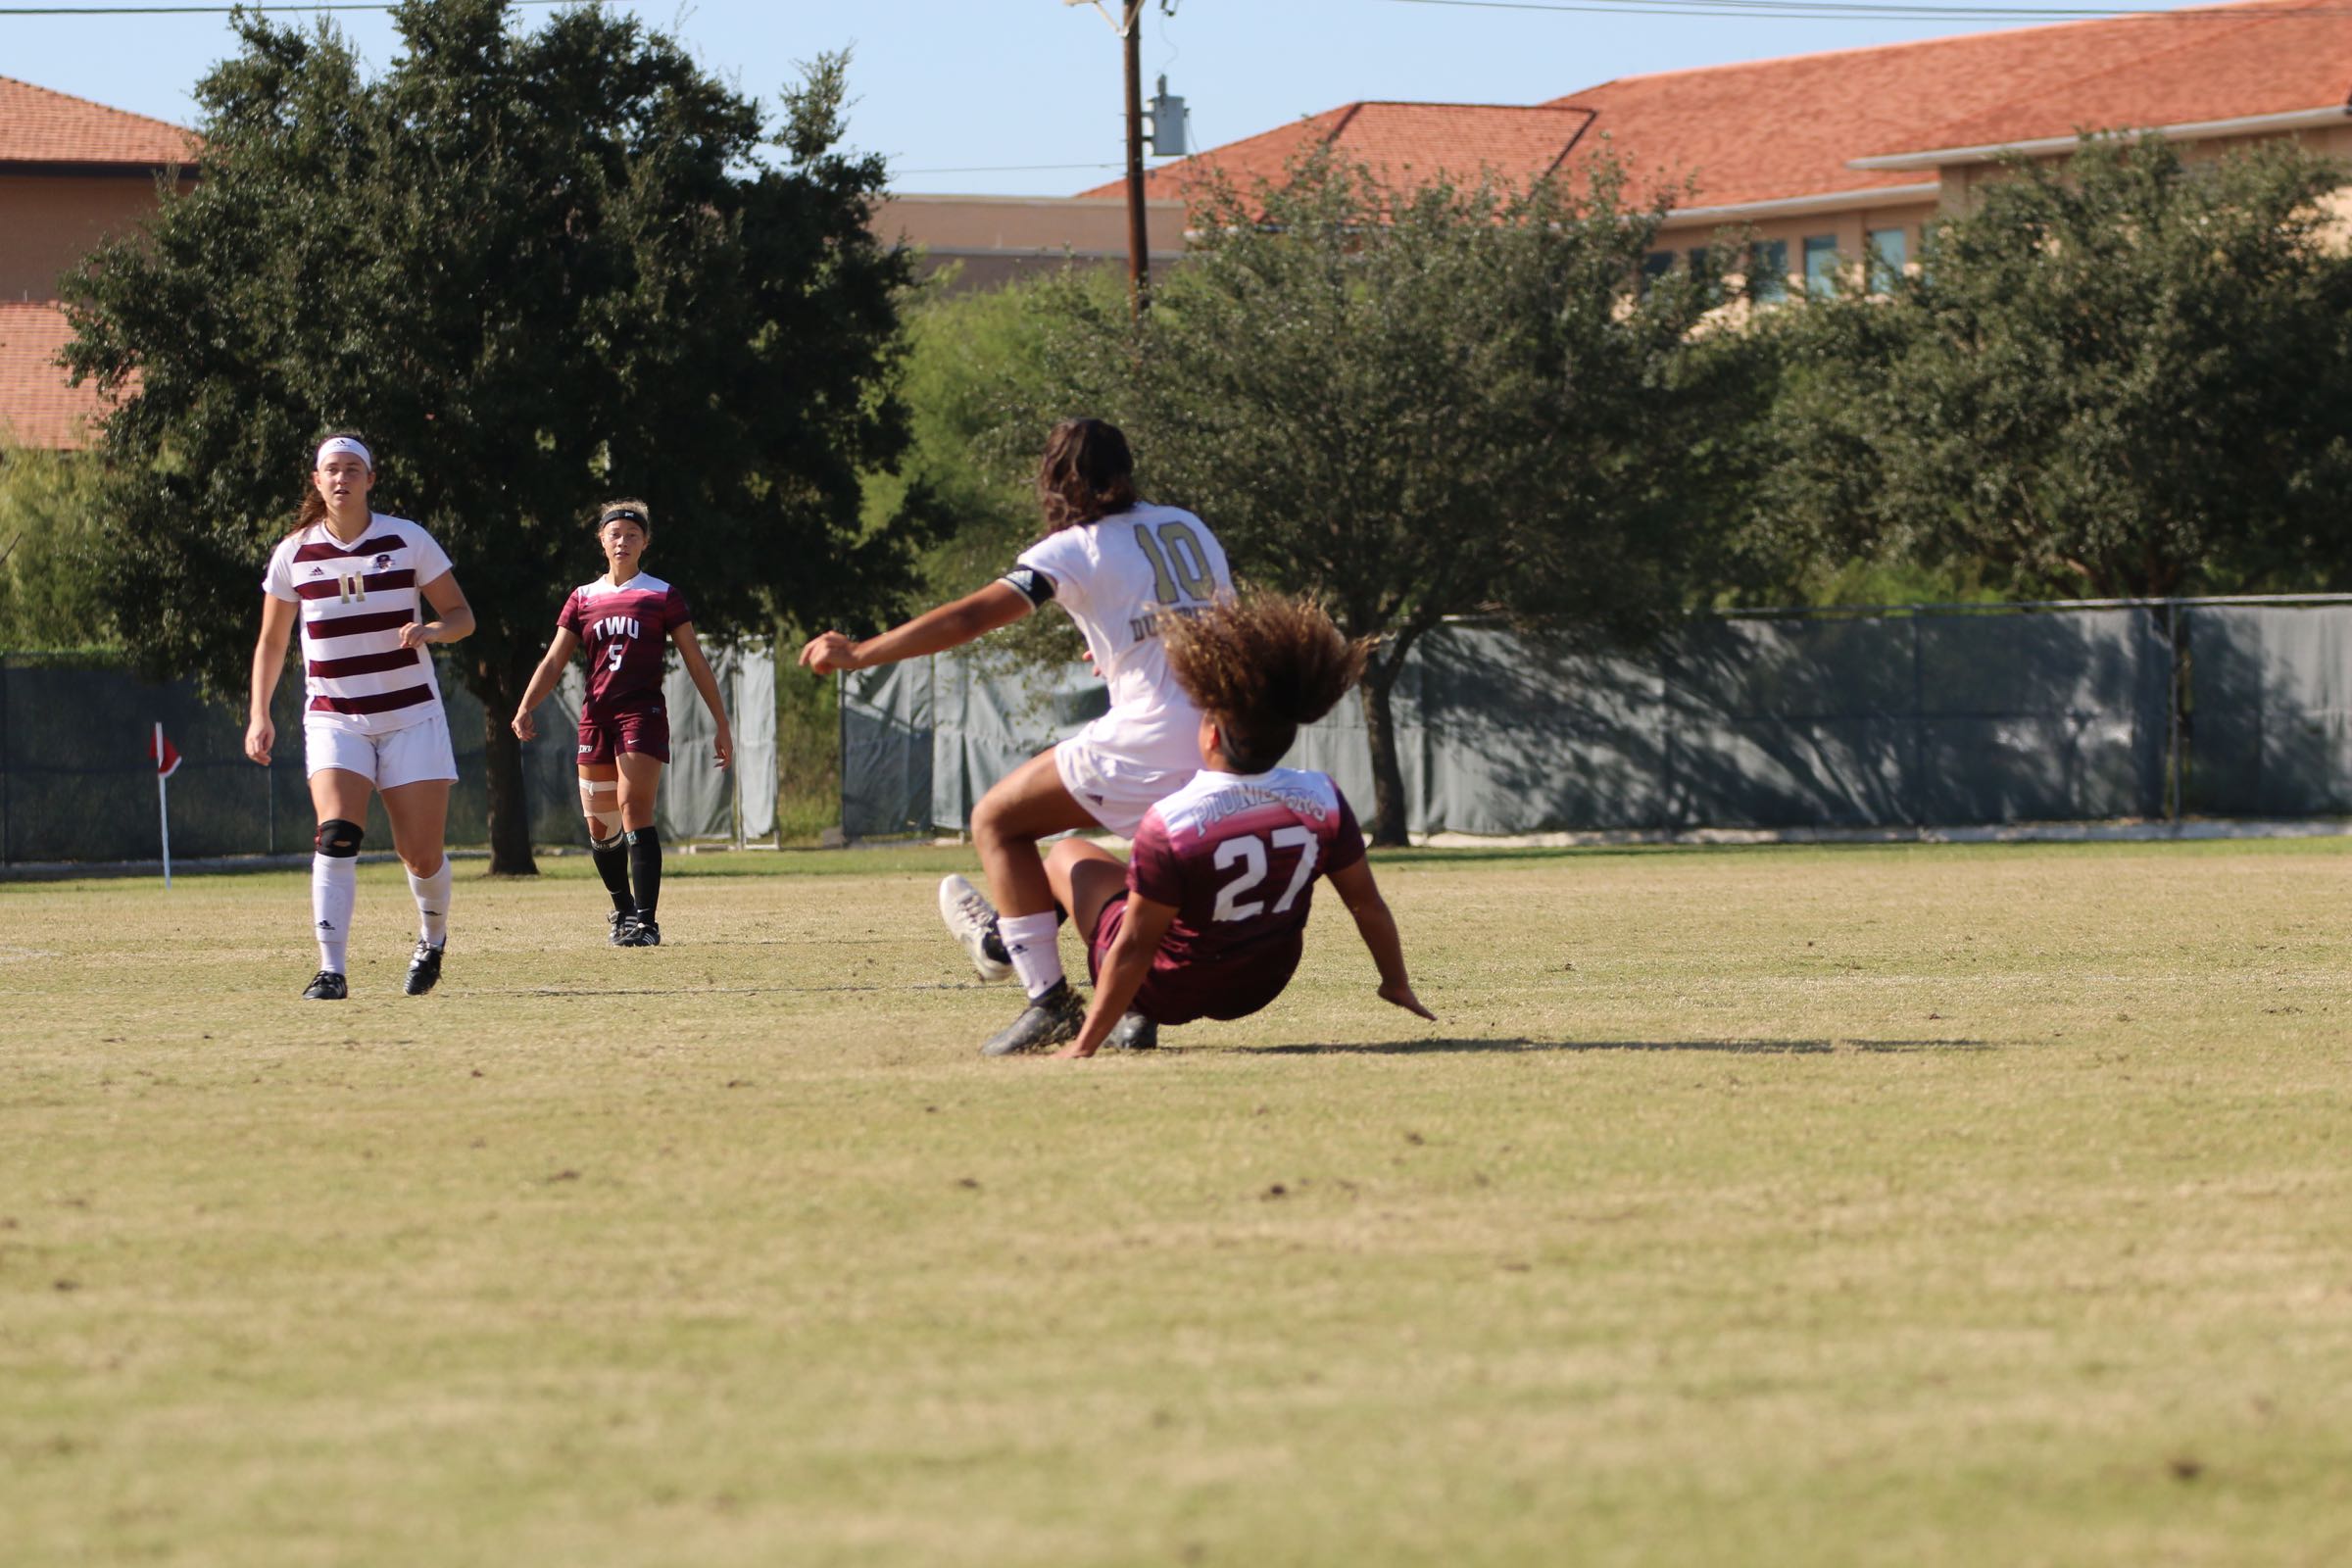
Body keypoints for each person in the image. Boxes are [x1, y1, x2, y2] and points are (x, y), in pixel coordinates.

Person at [798, 416, 1234, 1054]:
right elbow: (1214, 627)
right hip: (1221, 740)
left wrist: (861, 653)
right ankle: (1133, 1000)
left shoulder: (1076, 545)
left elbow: (971, 615)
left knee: (998, 820)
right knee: (1116, 866)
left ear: (1057, 480)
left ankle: (1049, 1001)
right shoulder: (1189, 526)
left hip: (1151, 736)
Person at [1039, 594, 1435, 1058]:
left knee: (1069, 857)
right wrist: (1396, 983)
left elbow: (1133, 948)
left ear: (1209, 733)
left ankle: (1022, 957)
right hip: (1259, 985)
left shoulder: (1172, 819)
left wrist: (1082, 1046)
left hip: (1167, 988)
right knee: (1147, 892)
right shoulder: (1323, 798)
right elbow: (1367, 906)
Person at [247, 434, 475, 1000]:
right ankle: (332, 970)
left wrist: (432, 630)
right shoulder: (294, 553)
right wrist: (260, 714)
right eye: (332, 470)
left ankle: (432, 937)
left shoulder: (407, 539)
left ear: (371, 479)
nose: (342, 478)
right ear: (317, 482)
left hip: (410, 715)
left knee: (420, 855)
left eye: (354, 469)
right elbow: (272, 642)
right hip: (334, 716)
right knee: (337, 832)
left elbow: (462, 615)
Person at [511, 500, 733, 947]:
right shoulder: (582, 597)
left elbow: (694, 658)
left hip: (641, 712)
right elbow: (556, 658)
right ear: (601, 540)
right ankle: (623, 910)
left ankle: (647, 923)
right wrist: (525, 704)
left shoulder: (661, 595)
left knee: (634, 810)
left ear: (645, 543)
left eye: (633, 535)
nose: (623, 541)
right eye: (615, 534)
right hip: (596, 716)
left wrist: (721, 722)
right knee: (600, 826)